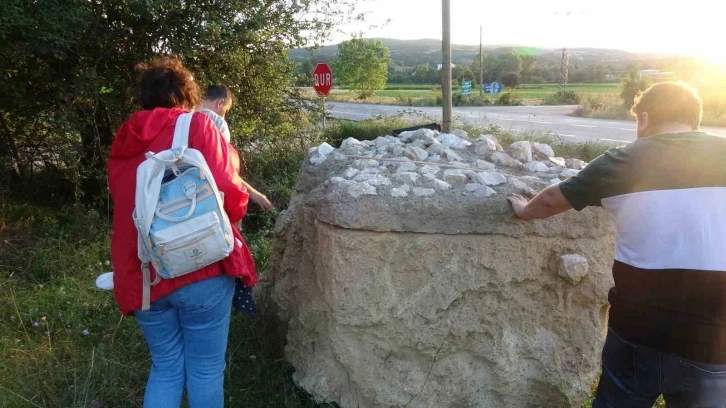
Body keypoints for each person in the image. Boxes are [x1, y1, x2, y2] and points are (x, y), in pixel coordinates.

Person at [507, 81, 726, 407]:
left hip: (637, 328)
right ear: (694, 119)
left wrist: (524, 210)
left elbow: (552, 200)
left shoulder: (619, 162)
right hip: (711, 337)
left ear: (644, 118)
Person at [107, 57, 257, 408]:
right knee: (205, 370)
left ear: (143, 96)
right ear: (187, 94)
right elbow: (232, 195)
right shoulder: (199, 127)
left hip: (144, 273)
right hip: (201, 266)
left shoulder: (124, 139)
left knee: (166, 368)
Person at [199, 84, 273, 212]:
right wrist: (250, 195)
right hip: (205, 198)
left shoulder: (183, 115)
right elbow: (222, 171)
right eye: (226, 111)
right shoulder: (217, 123)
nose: (224, 116)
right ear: (220, 103)